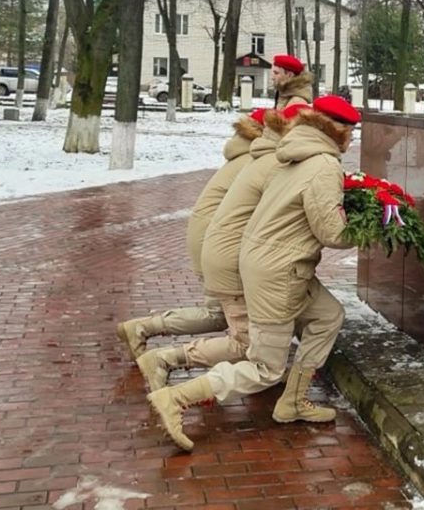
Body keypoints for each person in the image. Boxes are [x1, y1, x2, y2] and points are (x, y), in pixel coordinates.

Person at [145, 95, 360, 451]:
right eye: (351, 132)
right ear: (337, 130)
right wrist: (373, 230)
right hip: (281, 271)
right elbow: (332, 233)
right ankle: (177, 398)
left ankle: (293, 401)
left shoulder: (295, 153)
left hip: (272, 262)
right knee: (265, 367)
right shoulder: (323, 164)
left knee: (328, 316)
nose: (352, 139)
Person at [135, 103, 308, 391]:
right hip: (225, 250)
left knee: (225, 317)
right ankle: (165, 359)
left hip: (215, 243)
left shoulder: (250, 154)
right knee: (241, 338)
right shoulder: (267, 162)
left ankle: (144, 331)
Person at [115, 108, 267, 360]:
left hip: (207, 236)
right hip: (217, 240)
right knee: (225, 316)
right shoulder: (254, 160)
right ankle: (164, 357)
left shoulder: (242, 153)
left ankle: (141, 328)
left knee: (218, 312)